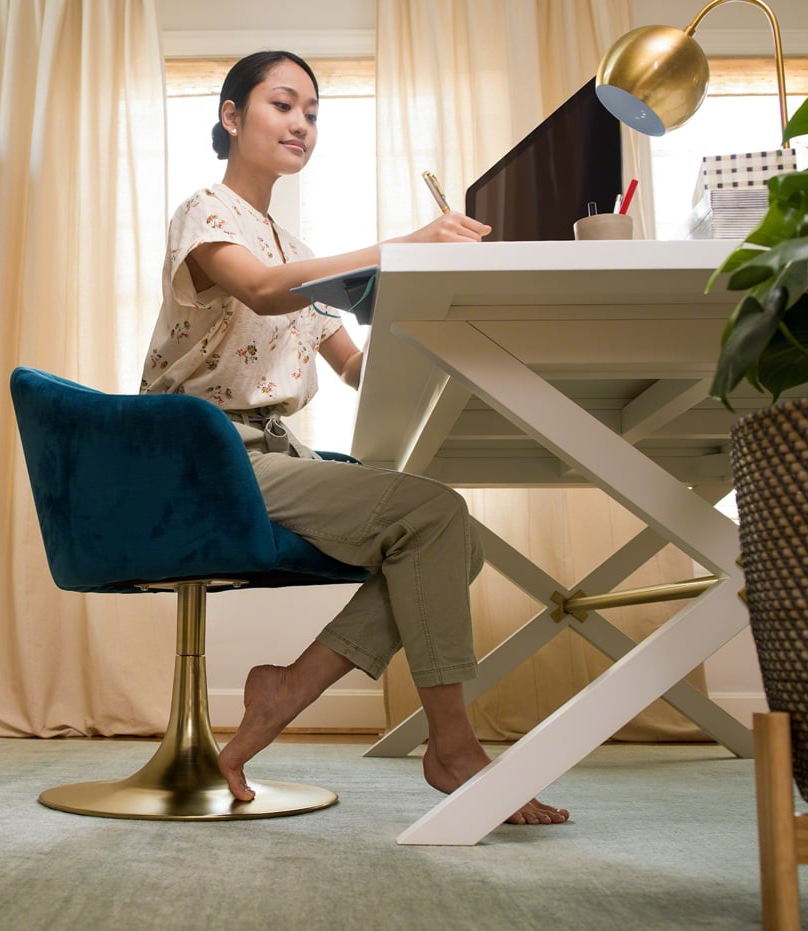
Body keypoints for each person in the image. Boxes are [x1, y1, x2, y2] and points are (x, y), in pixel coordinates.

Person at [140, 51, 568, 826]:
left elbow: (357, 369)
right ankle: (454, 748)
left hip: (268, 453)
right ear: (233, 116)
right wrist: (405, 246)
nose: (301, 122)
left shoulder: (289, 242)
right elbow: (267, 292)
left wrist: (460, 325)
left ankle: (284, 690)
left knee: (452, 538)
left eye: (312, 111)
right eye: (282, 104)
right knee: (435, 517)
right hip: (199, 457)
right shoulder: (206, 213)